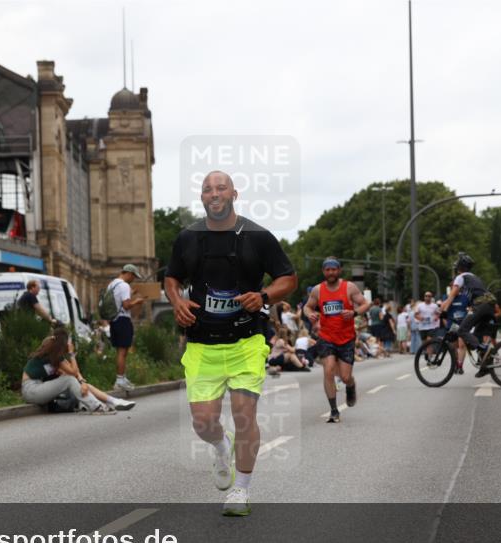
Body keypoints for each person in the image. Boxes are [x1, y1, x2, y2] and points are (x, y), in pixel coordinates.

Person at [164, 170, 297, 516]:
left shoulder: (258, 237)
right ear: (202, 197)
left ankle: (241, 489)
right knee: (203, 423)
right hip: (202, 345)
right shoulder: (188, 238)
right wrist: (177, 301)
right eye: (208, 189)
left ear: (234, 194)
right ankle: (221, 448)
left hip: (246, 341)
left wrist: (264, 295)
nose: (214, 193)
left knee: (243, 415)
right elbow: (171, 277)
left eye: (221, 188)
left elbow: (289, 278)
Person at [303, 257, 370, 423]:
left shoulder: (349, 287)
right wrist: (309, 314)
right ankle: (334, 410)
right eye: (327, 270)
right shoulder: (318, 290)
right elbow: (308, 306)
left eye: (333, 269)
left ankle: (351, 385)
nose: (330, 272)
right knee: (328, 370)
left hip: (346, 338)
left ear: (339, 270)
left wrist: (354, 313)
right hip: (326, 337)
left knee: (346, 377)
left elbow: (365, 304)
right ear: (323, 271)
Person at [21, 327, 134, 413]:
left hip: (41, 388)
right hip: (31, 389)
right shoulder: (47, 354)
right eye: (68, 342)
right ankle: (95, 406)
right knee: (69, 380)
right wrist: (71, 354)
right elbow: (72, 373)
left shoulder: (57, 358)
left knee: (78, 383)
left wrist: (82, 383)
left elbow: (74, 372)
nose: (69, 345)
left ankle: (113, 401)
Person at [438, 253, 498, 378]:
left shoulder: (461, 277)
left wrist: (444, 310)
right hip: (489, 306)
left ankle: (483, 350)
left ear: (459, 266)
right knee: (475, 338)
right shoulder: (475, 277)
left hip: (480, 306)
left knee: (462, 331)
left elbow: (452, 294)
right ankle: (485, 366)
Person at [106, 264, 146, 391]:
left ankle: (122, 378)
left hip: (114, 320)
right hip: (123, 320)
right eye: (133, 276)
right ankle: (119, 380)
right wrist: (137, 301)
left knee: (119, 351)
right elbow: (126, 305)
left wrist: (131, 293)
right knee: (123, 352)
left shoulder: (112, 284)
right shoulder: (124, 285)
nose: (133, 279)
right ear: (128, 273)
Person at [411, 291, 441, 356]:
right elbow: (415, 315)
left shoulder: (434, 306)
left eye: (429, 296)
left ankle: (430, 357)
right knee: (424, 343)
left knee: (429, 341)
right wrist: (420, 318)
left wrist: (436, 317)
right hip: (422, 327)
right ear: (424, 297)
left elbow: (438, 313)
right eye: (426, 296)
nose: (427, 297)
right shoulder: (420, 305)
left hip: (431, 327)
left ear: (431, 297)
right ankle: (427, 354)